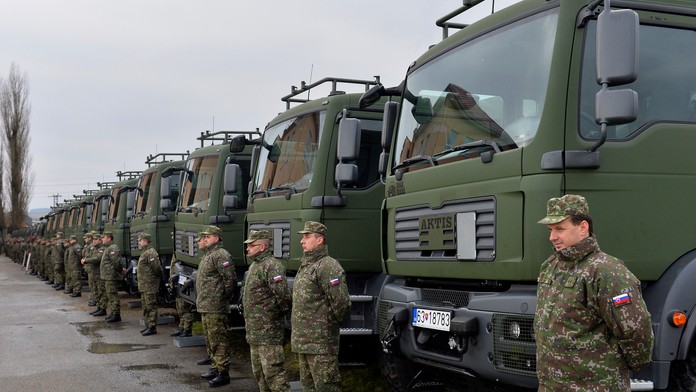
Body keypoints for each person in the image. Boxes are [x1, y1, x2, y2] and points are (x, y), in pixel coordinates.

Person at [534, 194, 654, 391]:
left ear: (583, 227)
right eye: (550, 230)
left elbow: (635, 329)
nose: (552, 237)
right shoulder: (550, 267)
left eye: (559, 229)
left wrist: (632, 366)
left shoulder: (606, 270)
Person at [291, 221, 350, 392]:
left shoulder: (328, 266)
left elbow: (341, 302)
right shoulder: (307, 265)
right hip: (304, 341)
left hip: (320, 342)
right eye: (302, 237)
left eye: (307, 237)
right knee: (309, 387)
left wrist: (328, 326)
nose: (302, 241)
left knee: (326, 386)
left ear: (320, 240)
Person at [242, 230, 292, 392]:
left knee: (274, 374)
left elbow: (283, 296)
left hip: (268, 332)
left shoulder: (272, 266)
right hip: (254, 332)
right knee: (260, 374)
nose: (248, 248)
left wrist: (276, 316)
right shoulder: (255, 265)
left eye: (251, 245)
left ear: (262, 246)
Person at [196, 225, 236, 388]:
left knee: (219, 339)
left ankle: (223, 372)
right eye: (204, 237)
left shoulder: (221, 255)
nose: (204, 239)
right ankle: (215, 366)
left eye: (208, 236)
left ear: (217, 238)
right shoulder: (209, 255)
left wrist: (222, 297)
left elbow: (230, 280)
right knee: (211, 338)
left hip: (215, 305)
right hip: (206, 305)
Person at [137, 233, 162, 336]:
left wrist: (153, 279)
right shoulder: (144, 252)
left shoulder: (151, 253)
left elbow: (157, 268)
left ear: (146, 241)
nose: (139, 242)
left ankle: (152, 327)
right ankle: (148, 324)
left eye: (141, 240)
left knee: (151, 306)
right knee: (146, 306)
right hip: (144, 284)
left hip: (150, 284)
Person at [100, 231, 124, 323]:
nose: (102, 239)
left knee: (113, 295)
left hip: (111, 276)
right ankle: (113, 312)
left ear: (109, 238)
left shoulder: (113, 248)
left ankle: (116, 314)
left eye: (104, 237)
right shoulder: (108, 248)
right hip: (107, 276)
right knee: (110, 295)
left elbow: (116, 262)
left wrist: (119, 271)